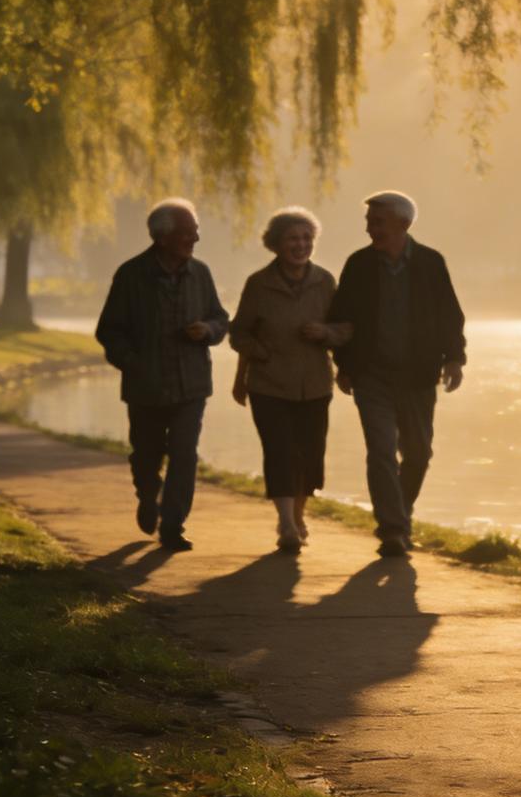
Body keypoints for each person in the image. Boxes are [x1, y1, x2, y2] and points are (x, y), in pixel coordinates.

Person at [328, 191, 466, 557]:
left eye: (378, 222)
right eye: (369, 222)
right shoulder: (358, 264)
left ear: (403, 225)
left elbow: (450, 314)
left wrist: (455, 359)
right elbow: (340, 316)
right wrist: (343, 364)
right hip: (372, 375)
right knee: (381, 451)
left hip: (419, 376)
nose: (371, 229)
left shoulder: (430, 263)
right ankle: (392, 529)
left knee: (419, 454)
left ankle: (400, 515)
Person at [95, 197, 229, 552]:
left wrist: (208, 330)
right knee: (146, 455)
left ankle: (173, 526)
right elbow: (109, 330)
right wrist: (133, 362)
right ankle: (147, 494)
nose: (195, 239)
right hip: (146, 387)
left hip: (192, 384)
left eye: (196, 231)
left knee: (185, 454)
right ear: (162, 237)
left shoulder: (201, 273)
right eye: (188, 232)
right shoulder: (131, 275)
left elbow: (220, 317)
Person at [228, 207, 352, 552]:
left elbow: (347, 328)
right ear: (276, 244)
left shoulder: (325, 281)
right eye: (293, 239)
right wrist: (258, 351)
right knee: (280, 453)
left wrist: (325, 332)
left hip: (315, 385)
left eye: (306, 238)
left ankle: (299, 514)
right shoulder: (259, 284)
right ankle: (285, 524)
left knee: (309, 457)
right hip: (269, 384)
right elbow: (238, 333)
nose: (301, 245)